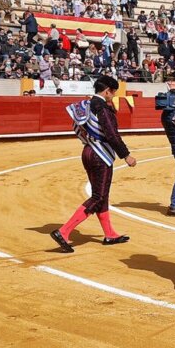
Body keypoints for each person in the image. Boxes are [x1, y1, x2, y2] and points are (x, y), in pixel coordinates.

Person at [50, 75, 136, 252]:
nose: (112, 96)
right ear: (107, 91)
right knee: (98, 197)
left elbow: (78, 128)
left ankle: (110, 233)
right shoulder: (102, 108)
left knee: (101, 194)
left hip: (87, 151)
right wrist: (126, 155)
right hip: (100, 156)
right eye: (112, 93)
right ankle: (64, 232)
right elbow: (112, 134)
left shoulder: (86, 105)